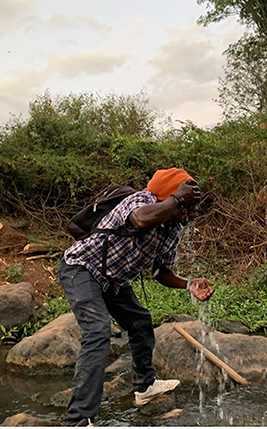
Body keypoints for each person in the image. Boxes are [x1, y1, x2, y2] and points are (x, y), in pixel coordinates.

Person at [58, 168, 214, 426]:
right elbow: (140, 220)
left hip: (113, 279)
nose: (192, 212)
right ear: (172, 196)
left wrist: (189, 285)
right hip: (82, 268)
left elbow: (161, 272)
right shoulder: (141, 200)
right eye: (188, 204)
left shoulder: (173, 227)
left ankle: (145, 386)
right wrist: (176, 201)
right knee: (97, 331)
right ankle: (79, 419)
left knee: (140, 322)